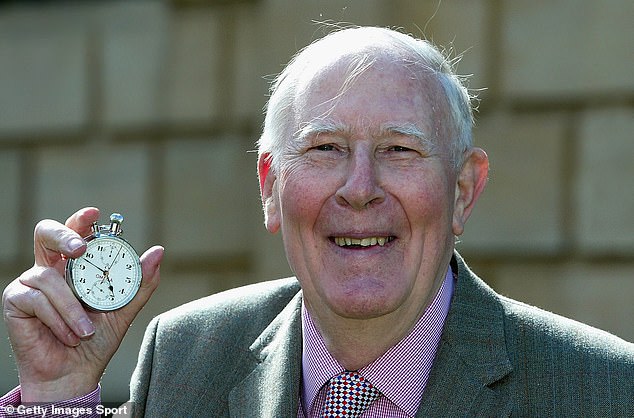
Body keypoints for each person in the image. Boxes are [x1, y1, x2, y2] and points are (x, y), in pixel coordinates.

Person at [2, 26, 633, 417]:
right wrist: (55, 395)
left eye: (400, 150)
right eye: (326, 148)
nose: (360, 189)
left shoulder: (602, 391)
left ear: (463, 190)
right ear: (271, 188)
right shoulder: (185, 362)